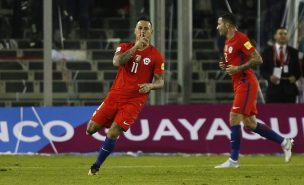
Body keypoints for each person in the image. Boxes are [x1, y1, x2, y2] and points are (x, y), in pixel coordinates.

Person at [86, 15, 165, 175]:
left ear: (151, 31)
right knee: (90, 129)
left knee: (113, 132)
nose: (143, 31)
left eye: (146, 29)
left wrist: (150, 85)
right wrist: (136, 47)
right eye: (140, 28)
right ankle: (107, 124)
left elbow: (161, 82)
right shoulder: (124, 46)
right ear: (135, 31)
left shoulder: (156, 55)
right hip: (115, 96)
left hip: (134, 100)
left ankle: (96, 166)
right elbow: (117, 62)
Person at [215, 13, 294, 168]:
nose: (217, 27)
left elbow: (258, 58)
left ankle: (233, 160)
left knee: (234, 116)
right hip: (238, 83)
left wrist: (239, 68)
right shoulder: (228, 41)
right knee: (250, 124)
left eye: (219, 24)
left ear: (228, 25)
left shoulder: (241, 39)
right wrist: (225, 65)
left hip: (246, 82)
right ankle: (284, 142)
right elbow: (233, 59)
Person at [260, 27, 301, 103]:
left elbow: (298, 70)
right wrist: (269, 77)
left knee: (290, 113)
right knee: (272, 113)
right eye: (280, 33)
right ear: (275, 36)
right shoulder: (267, 52)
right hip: (273, 90)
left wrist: (295, 77)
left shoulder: (293, 52)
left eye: (285, 34)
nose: (283, 36)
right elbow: (262, 70)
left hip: (290, 90)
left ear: (287, 36)